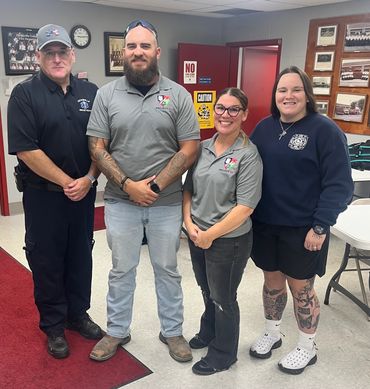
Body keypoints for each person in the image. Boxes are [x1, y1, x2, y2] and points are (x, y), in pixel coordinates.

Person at [86, 19, 200, 363]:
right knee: (121, 270)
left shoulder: (177, 94)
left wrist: (153, 186)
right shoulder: (107, 95)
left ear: (156, 52)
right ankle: (117, 331)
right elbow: (97, 146)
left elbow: (190, 148)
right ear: (125, 53)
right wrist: (127, 185)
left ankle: (173, 331)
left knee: (167, 269)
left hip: (165, 203)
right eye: (131, 46)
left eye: (144, 46)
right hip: (120, 203)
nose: (137, 52)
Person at [249, 66, 353, 374]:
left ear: (307, 95)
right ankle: (272, 331)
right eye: (282, 90)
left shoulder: (325, 130)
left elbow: (339, 185)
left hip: (304, 228)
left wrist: (321, 225)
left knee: (302, 290)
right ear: (275, 96)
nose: (288, 96)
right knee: (271, 283)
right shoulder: (264, 128)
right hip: (266, 224)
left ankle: (308, 348)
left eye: (295, 90)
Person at [7, 24, 103, 359]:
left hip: (84, 191)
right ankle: (53, 325)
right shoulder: (24, 95)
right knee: (46, 258)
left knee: (81, 253)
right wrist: (67, 182)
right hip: (44, 195)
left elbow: (102, 144)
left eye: (63, 52)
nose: (57, 58)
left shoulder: (91, 92)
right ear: (39, 57)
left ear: (72, 55)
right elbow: (26, 150)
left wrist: (90, 178)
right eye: (50, 52)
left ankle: (77, 314)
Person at [183, 87, 263, 375]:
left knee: (223, 298)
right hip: (196, 234)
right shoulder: (202, 147)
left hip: (229, 241)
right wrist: (189, 225)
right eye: (220, 108)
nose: (224, 115)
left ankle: (223, 353)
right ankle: (209, 330)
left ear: (243, 115)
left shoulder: (248, 155)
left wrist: (210, 234)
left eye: (232, 110)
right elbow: (188, 189)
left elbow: (245, 207)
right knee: (207, 290)